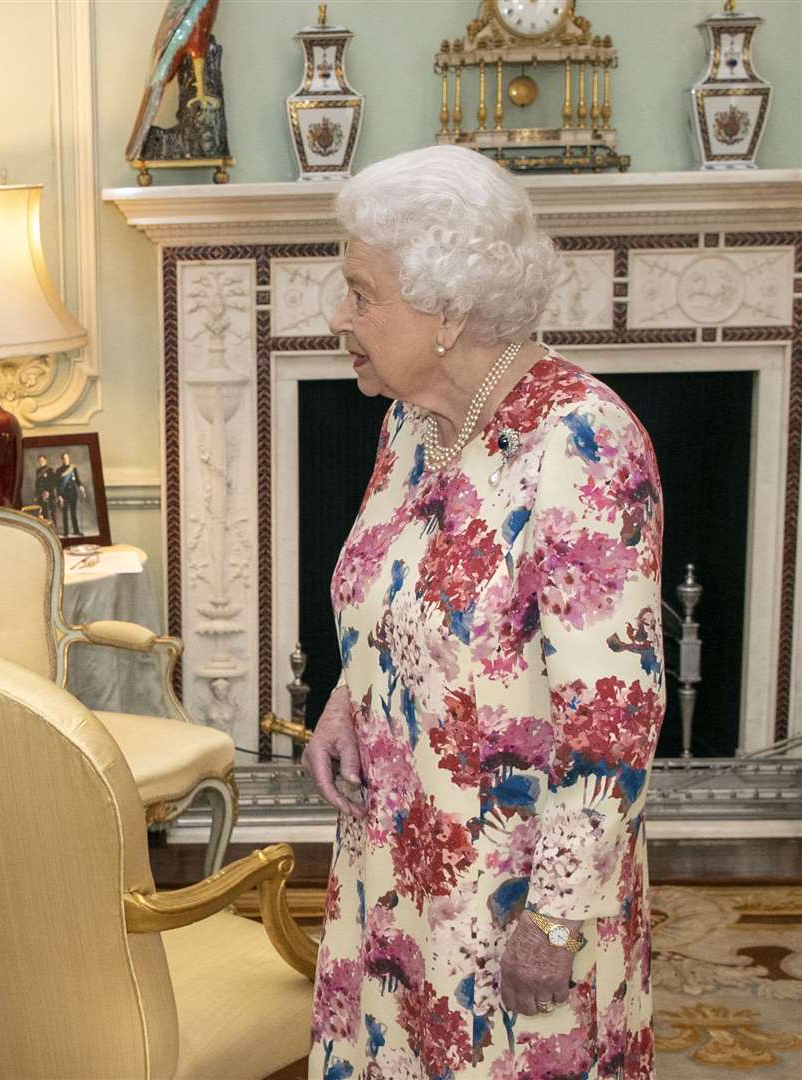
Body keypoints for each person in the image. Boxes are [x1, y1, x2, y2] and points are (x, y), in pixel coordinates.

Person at [301, 145, 662, 1080]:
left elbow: (613, 718)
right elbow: (399, 598)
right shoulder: (412, 424)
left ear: (449, 307)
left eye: (359, 293)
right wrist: (350, 698)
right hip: (401, 856)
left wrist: (551, 918)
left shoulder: (583, 442)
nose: (337, 317)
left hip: (513, 892)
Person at [56, 451, 84, 537]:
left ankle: (76, 531)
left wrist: (81, 486)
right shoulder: (59, 470)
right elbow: (57, 485)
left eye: (67, 458)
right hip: (64, 495)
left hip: (73, 494)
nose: (66, 460)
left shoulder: (73, 468)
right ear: (62, 460)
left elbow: (77, 480)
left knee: (73, 513)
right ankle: (66, 532)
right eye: (64, 458)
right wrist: (59, 496)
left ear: (69, 459)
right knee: (65, 514)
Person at [33, 453, 57, 525]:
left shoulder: (50, 470)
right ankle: (47, 529)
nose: (41, 462)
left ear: (45, 461)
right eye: (40, 461)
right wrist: (36, 495)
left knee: (52, 511)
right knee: (43, 513)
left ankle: (55, 529)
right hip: (40, 494)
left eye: (42, 460)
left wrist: (48, 492)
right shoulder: (38, 471)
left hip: (49, 494)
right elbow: (37, 484)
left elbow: (53, 483)